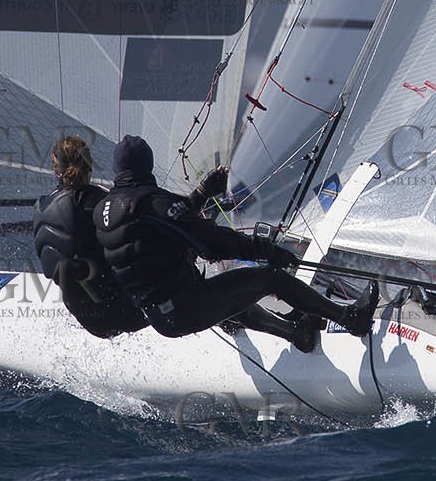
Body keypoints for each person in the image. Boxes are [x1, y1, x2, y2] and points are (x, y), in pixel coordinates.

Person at [95, 135, 377, 352]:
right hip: (186, 307)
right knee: (270, 279)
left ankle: (295, 334)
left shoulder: (104, 210)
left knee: (223, 288)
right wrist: (268, 251)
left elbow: (161, 231)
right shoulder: (152, 202)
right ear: (148, 164)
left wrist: (203, 193)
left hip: (159, 316)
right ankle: (351, 318)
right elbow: (213, 243)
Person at [33, 135, 148, 338]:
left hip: (85, 317)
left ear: (55, 169)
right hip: (123, 310)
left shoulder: (41, 206)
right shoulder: (97, 201)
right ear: (89, 166)